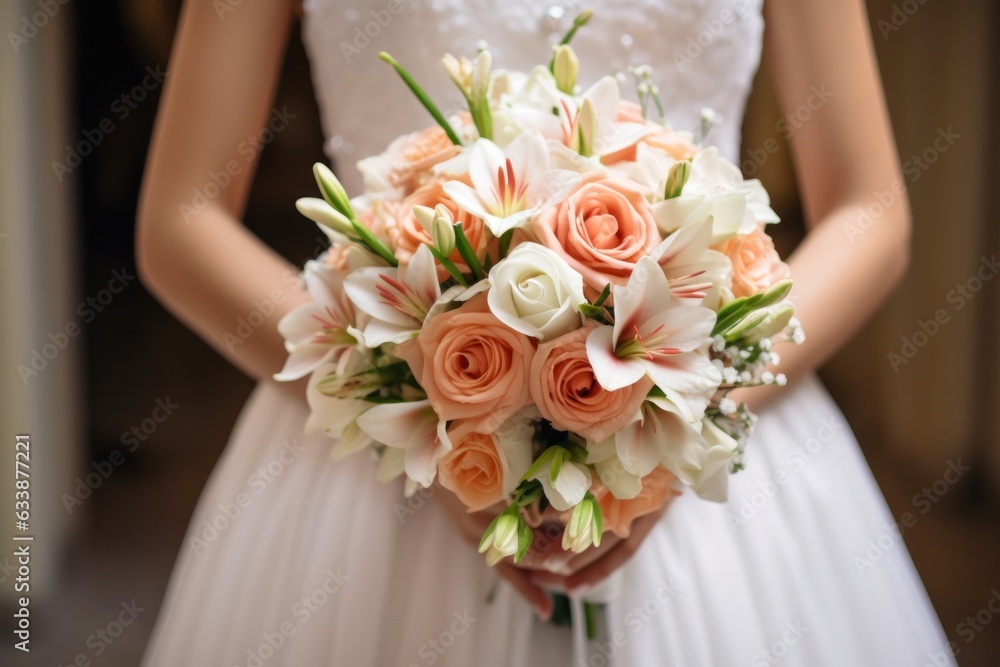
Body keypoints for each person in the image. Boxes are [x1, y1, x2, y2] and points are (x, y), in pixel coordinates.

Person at [136, 1, 954, 664]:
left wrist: (677, 422)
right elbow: (181, 219)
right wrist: (418, 415)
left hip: (709, 432)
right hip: (383, 449)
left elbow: (870, 209)